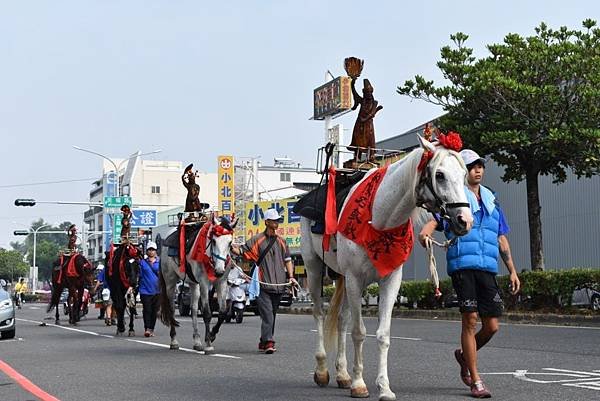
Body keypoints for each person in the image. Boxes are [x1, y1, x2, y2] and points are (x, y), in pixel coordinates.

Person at [419, 149, 521, 399]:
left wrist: (513, 271)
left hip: (487, 268)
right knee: (470, 319)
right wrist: (426, 233)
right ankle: (476, 380)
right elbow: (435, 222)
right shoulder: (455, 199)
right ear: (464, 171)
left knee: (493, 326)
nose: (478, 169)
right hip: (463, 266)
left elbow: (501, 237)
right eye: (472, 166)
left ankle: (464, 356)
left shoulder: (492, 200)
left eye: (480, 166)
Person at [231, 208, 298, 354]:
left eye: (278, 220)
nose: (277, 223)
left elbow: (288, 260)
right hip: (262, 285)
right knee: (267, 314)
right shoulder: (257, 240)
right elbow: (242, 252)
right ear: (267, 222)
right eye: (274, 220)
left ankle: (263, 341)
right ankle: (269, 342)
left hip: (279, 285)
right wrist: (229, 245)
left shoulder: (282, 242)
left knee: (272, 315)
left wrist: (291, 276)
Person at [139, 241, 160, 337]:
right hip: (145, 290)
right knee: (147, 309)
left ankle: (151, 328)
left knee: (154, 311)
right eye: (149, 250)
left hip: (157, 291)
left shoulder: (160, 262)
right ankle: (147, 328)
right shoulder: (142, 263)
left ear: (156, 251)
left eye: (153, 250)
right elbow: (137, 275)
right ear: (147, 251)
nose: (151, 251)